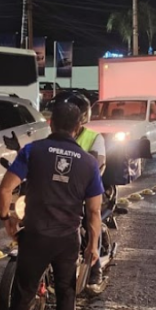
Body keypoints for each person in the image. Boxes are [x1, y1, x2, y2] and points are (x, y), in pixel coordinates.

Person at [0, 100, 104, 310]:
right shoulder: (89, 163)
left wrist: (6, 218)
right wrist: (93, 245)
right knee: (67, 294)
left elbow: (6, 189)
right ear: (78, 128)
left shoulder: (33, 151)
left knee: (24, 292)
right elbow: (94, 213)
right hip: (67, 239)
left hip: (36, 236)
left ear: (51, 123)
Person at [49, 91, 107, 292]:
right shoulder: (52, 137)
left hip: (87, 191)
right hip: (57, 193)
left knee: (90, 220)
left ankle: (94, 270)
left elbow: (95, 166)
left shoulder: (94, 138)